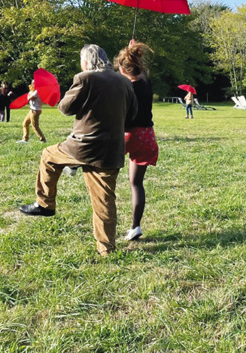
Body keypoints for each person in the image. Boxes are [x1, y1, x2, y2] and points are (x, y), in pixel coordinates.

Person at [19, 45, 138, 256]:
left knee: (48, 155)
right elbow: (133, 114)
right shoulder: (124, 81)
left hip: (83, 146)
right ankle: (106, 249)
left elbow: (65, 108)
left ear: (86, 60)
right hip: (112, 149)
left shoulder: (85, 78)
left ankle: (45, 203)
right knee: (104, 199)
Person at [114, 42, 158, 241]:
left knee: (105, 176)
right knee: (136, 183)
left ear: (122, 69)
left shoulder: (124, 87)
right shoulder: (146, 82)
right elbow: (139, 72)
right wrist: (132, 52)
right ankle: (135, 227)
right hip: (147, 135)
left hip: (128, 135)